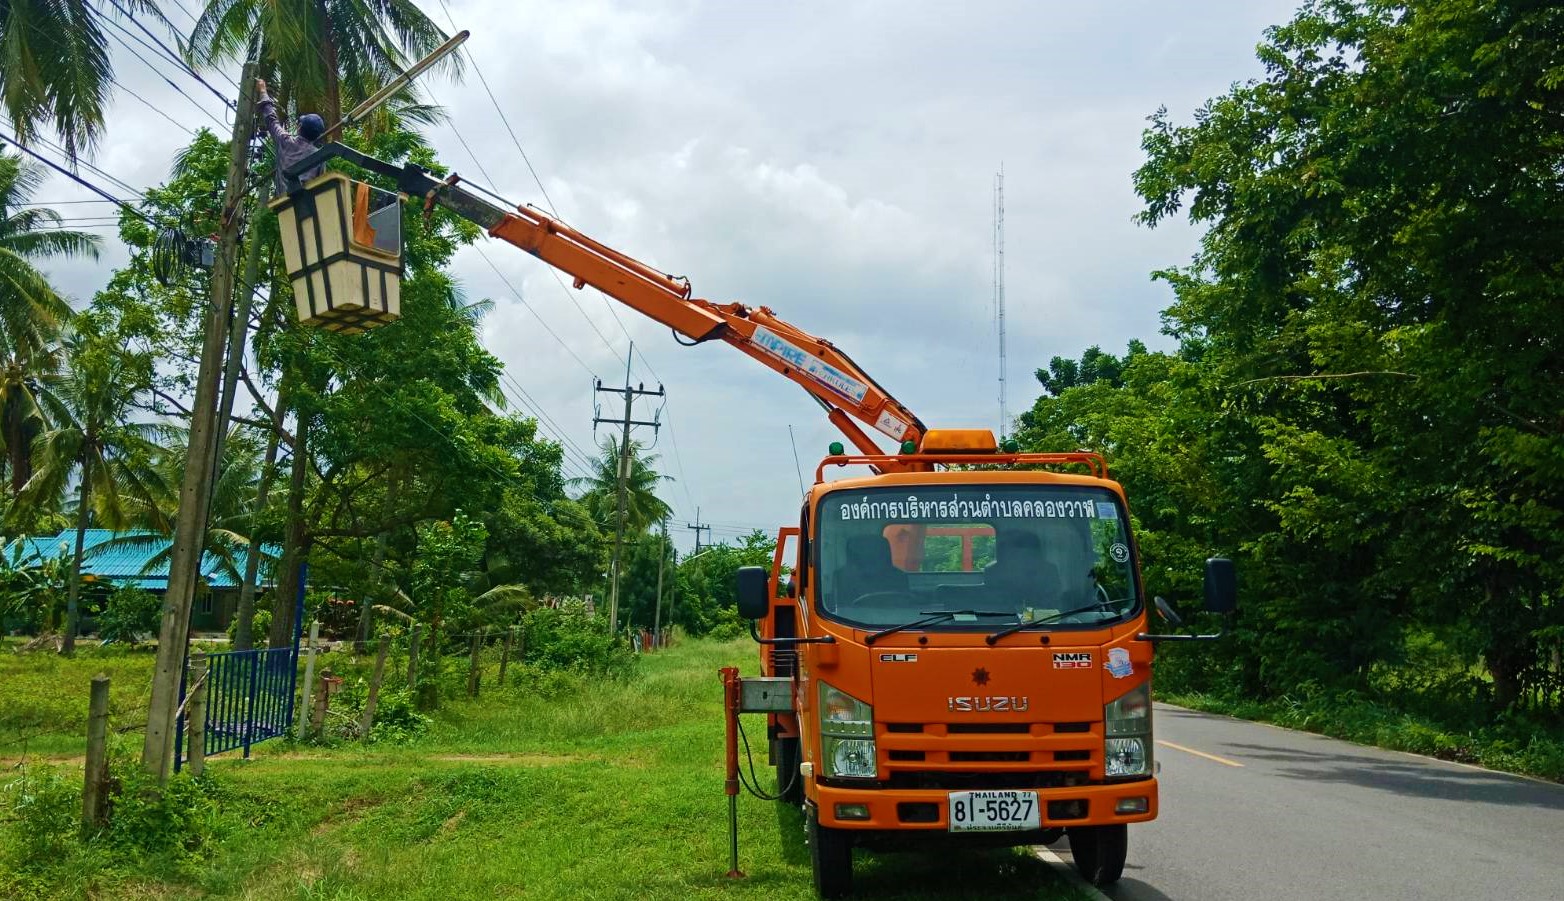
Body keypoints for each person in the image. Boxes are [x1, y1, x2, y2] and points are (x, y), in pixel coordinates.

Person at [255, 78, 326, 193]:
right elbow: (321, 185)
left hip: (285, 204)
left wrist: (263, 90)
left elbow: (271, 118)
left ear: (299, 127)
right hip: (309, 205)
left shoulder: (285, 141)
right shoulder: (319, 156)